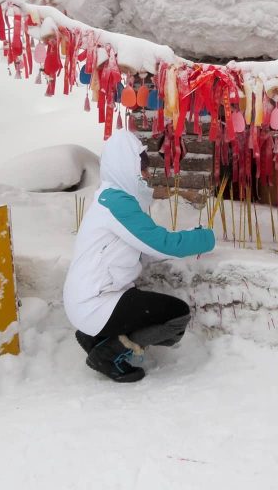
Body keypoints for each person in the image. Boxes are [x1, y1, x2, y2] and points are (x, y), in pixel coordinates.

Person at [63, 129, 215, 383]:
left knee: (143, 307)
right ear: (127, 167)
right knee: (176, 315)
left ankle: (96, 337)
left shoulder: (110, 198)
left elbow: (144, 249)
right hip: (96, 302)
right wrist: (205, 239)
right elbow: (161, 243)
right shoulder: (117, 203)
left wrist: (186, 241)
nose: (146, 175)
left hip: (90, 299)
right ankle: (109, 351)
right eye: (142, 168)